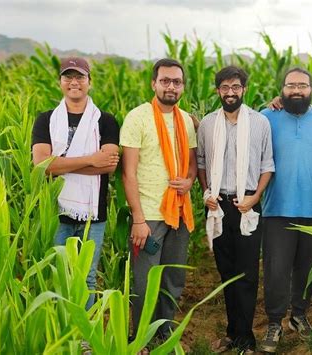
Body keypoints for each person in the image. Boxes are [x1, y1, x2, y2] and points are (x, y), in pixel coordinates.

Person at [197, 66, 275, 354]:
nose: (230, 93)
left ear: (244, 89)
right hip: (218, 208)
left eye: (236, 87)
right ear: (218, 90)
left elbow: (268, 165)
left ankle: (246, 338)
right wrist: (207, 192)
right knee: (226, 271)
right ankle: (234, 333)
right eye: (225, 87)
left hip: (247, 208)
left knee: (247, 274)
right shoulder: (207, 124)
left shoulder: (259, 123)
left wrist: (254, 198)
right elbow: (202, 162)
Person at [31, 57, 120, 309]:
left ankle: (84, 338)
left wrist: (59, 164)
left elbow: (109, 165)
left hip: (94, 215)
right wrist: (92, 160)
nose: (74, 82)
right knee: (58, 274)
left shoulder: (106, 121)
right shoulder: (46, 119)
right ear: (60, 82)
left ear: (89, 82)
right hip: (56, 211)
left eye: (80, 77)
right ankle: (61, 331)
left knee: (87, 276)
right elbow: (41, 166)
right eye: (68, 77)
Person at [120, 58, 197, 345]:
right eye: (165, 80)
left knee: (173, 278)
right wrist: (138, 218)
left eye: (176, 82)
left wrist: (189, 181)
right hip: (149, 215)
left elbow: (191, 165)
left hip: (179, 210)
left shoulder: (186, 120)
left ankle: (163, 333)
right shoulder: (138, 117)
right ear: (154, 83)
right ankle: (141, 338)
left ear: (183, 87)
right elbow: (128, 173)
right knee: (144, 281)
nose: (171, 86)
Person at [259, 68, 312, 353]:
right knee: (276, 270)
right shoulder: (267, 117)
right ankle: (275, 322)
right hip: (277, 209)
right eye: (291, 86)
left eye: (303, 85)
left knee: (307, 268)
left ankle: (299, 315)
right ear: (281, 90)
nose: (297, 91)